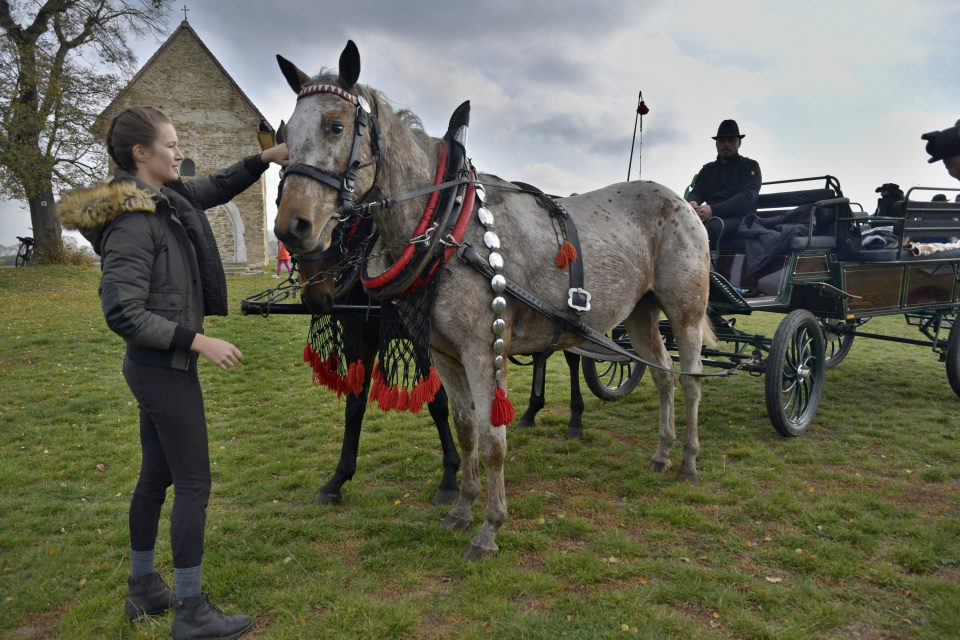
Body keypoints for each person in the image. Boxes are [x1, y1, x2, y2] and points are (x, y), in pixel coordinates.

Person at [56, 107, 288, 640]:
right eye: (171, 144)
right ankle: (190, 608)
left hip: (158, 367)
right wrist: (199, 341)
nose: (179, 152)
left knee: (157, 478)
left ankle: (144, 589)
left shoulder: (167, 198)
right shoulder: (134, 222)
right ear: (142, 154)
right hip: (163, 367)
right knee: (193, 483)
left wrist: (264, 159)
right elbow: (123, 313)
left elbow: (213, 186)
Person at [687, 119, 762, 242]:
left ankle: (706, 261)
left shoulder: (750, 166)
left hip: (741, 218)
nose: (726, 144)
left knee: (712, 226)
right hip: (711, 217)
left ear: (739, 143)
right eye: (722, 140)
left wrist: (713, 210)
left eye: (731, 140)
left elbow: (747, 197)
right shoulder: (707, 169)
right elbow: (697, 191)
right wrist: (692, 203)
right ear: (716, 144)